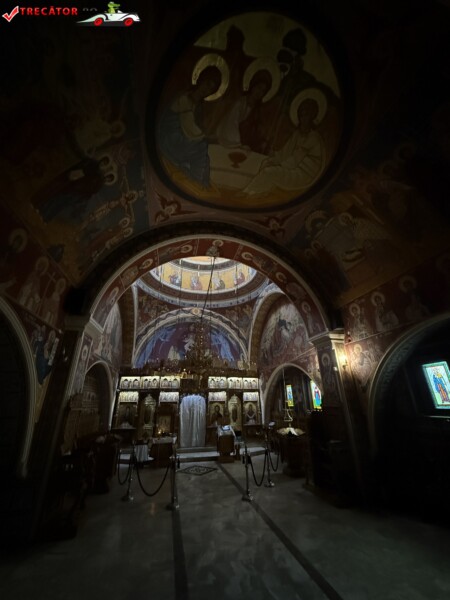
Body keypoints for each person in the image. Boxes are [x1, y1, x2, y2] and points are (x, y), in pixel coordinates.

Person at [242, 97, 325, 196]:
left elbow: (296, 159)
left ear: (312, 116)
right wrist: (273, 157)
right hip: (292, 166)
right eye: (301, 115)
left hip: (303, 174)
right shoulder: (297, 134)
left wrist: (279, 166)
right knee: (267, 162)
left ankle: (247, 193)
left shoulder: (313, 137)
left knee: (269, 171)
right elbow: (285, 153)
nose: (303, 119)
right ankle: (260, 192)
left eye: (306, 115)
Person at [157, 66, 222, 188]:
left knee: (206, 157)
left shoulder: (198, 106)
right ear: (201, 80)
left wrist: (204, 136)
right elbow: (189, 128)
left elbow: (194, 128)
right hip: (170, 138)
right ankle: (196, 182)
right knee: (202, 146)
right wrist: (206, 137)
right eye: (207, 84)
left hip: (183, 138)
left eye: (211, 89)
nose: (207, 90)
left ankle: (204, 184)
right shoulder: (184, 99)